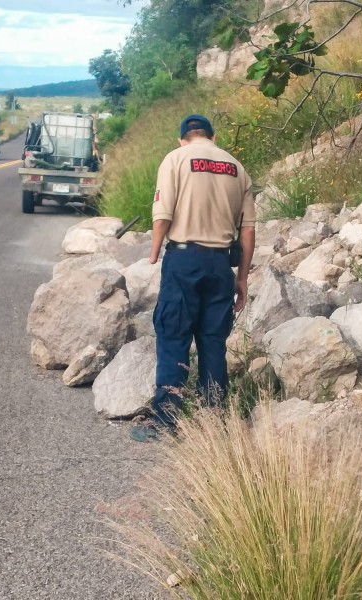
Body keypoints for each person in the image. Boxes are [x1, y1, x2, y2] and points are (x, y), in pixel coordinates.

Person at [130, 114, 256, 442]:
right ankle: (213, 421)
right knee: (213, 340)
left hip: (184, 260)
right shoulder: (237, 167)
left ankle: (166, 421)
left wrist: (154, 253)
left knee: (174, 333)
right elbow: (247, 231)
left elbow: (162, 215)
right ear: (213, 137)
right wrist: (242, 278)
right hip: (220, 264)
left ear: (182, 139)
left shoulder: (175, 159)